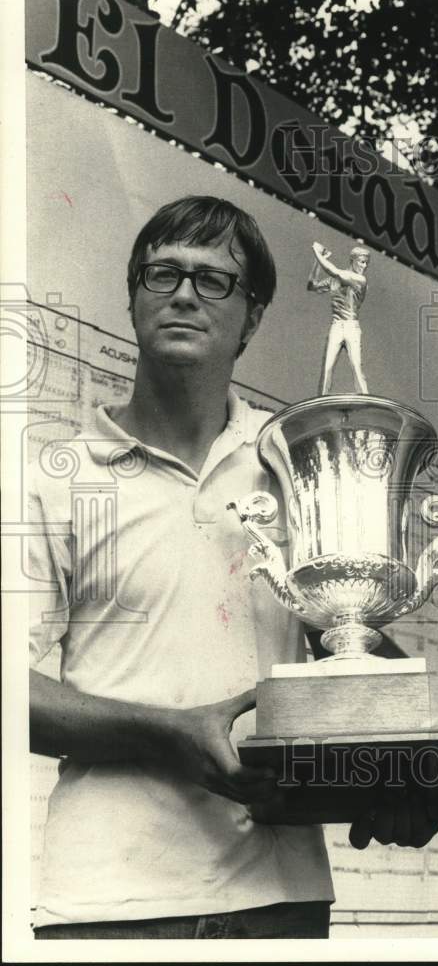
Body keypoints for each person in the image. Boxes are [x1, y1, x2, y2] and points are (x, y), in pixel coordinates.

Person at [28, 196, 336, 939]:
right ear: (133, 299)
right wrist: (168, 731)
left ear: (253, 317)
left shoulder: (299, 464)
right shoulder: (57, 478)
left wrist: (405, 759)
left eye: (214, 280)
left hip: (279, 897)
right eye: (162, 274)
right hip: (107, 901)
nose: (185, 294)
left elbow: (351, 642)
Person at [307, 241, 370, 395]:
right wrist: (318, 259)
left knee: (356, 366)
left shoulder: (360, 280)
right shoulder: (335, 280)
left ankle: (365, 400)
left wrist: (316, 252)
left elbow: (334, 271)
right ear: (353, 260)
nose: (364, 267)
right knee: (327, 368)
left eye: (366, 264)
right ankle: (321, 401)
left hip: (351, 327)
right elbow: (312, 285)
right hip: (336, 326)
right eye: (362, 262)